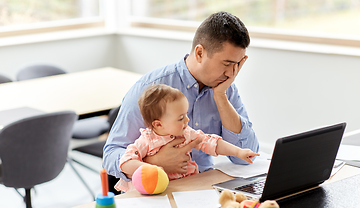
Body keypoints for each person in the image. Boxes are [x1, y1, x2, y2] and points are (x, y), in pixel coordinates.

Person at [103, 11, 259, 190]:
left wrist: (221, 97)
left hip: (204, 187)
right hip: (158, 191)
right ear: (199, 53)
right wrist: (154, 162)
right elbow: (110, 155)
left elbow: (246, 158)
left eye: (237, 65)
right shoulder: (150, 88)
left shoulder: (226, 88)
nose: (232, 74)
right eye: (226, 64)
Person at [114, 84, 259, 192]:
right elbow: (125, 163)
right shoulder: (146, 141)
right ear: (158, 125)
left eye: (186, 114)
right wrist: (152, 167)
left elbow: (211, 142)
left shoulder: (186, 133)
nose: (187, 121)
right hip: (155, 191)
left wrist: (238, 152)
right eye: (181, 118)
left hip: (184, 188)